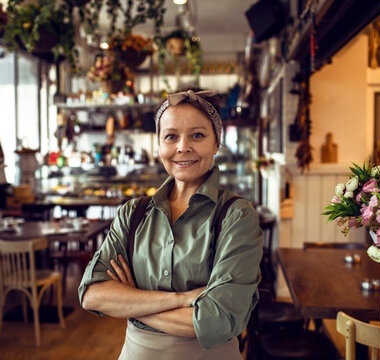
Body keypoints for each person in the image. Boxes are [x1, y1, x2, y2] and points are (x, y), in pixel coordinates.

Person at [78, 89, 263, 359]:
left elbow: (218, 319)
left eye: (197, 135)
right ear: (159, 144)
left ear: (216, 143)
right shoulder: (133, 213)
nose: (182, 147)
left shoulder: (236, 216)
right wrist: (181, 299)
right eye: (171, 136)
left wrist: (130, 300)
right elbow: (92, 294)